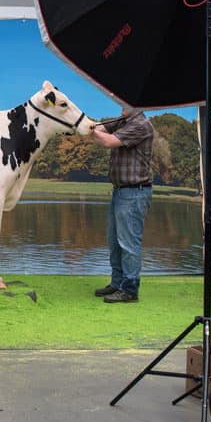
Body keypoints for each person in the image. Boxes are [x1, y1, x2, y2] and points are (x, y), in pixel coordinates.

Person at [89, 108, 155, 303]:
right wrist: (84, 124)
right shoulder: (122, 121)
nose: (121, 105)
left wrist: (90, 130)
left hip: (135, 191)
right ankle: (117, 283)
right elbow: (99, 126)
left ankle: (130, 289)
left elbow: (108, 141)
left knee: (128, 243)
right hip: (121, 190)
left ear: (138, 105)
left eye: (126, 102)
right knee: (114, 241)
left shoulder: (140, 125)